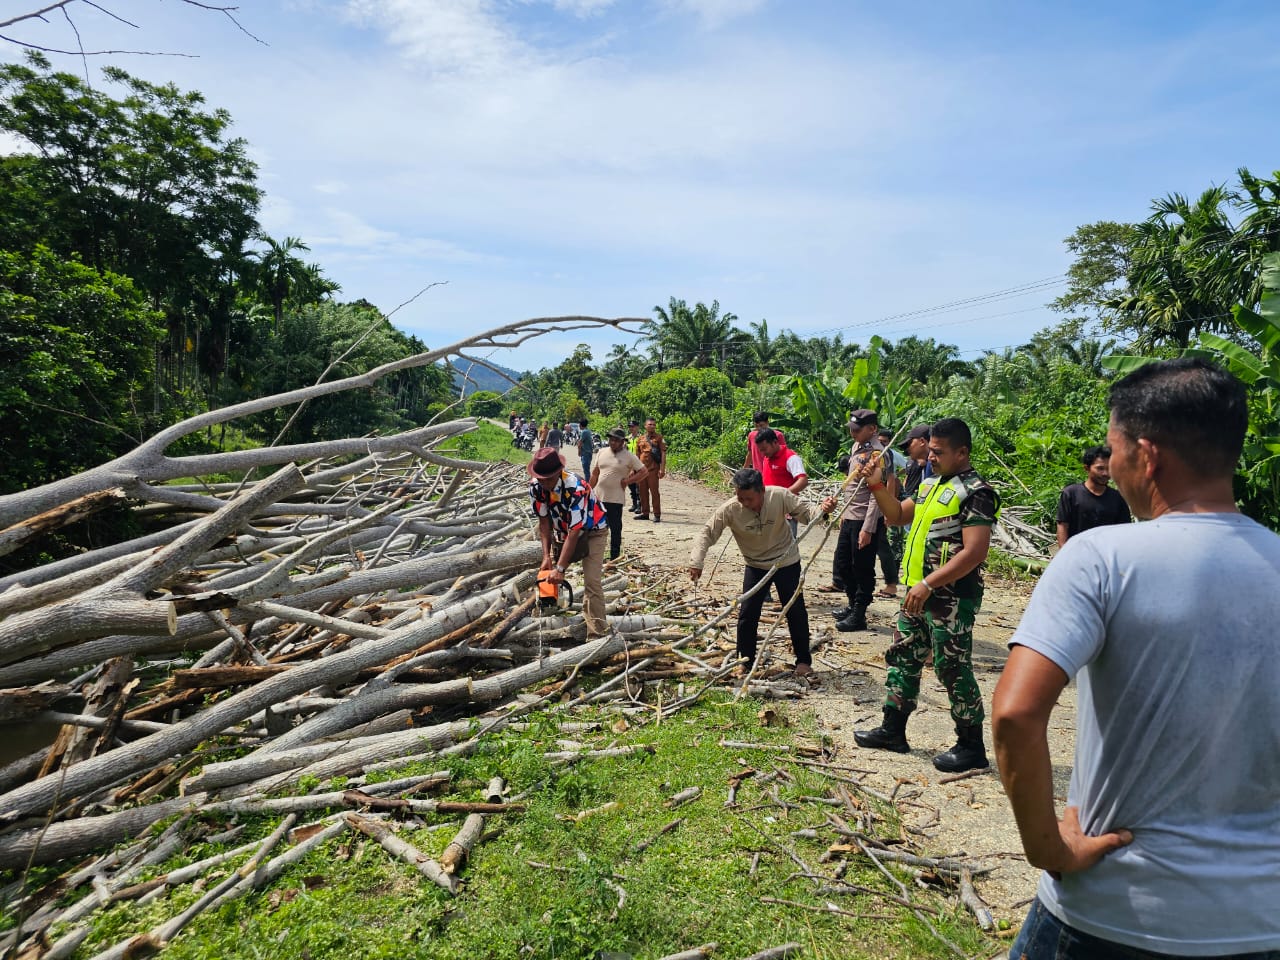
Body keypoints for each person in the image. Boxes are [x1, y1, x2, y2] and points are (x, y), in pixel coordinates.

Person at [992, 358, 1280, 959]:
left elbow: (1015, 715)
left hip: (1113, 912)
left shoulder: (1102, 557)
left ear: (1147, 456)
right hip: (1260, 922)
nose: (1112, 463)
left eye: (1114, 448)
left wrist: (1049, 849)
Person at [853, 417, 999, 772]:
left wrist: (930, 584)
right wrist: (876, 486)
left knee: (951, 667)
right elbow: (897, 516)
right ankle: (893, 731)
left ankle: (971, 747)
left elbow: (975, 551)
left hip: (949, 596)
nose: (930, 457)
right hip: (916, 590)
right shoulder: (930, 484)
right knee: (903, 657)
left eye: (938, 452)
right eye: (930, 450)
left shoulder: (976, 491)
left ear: (962, 452)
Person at [689, 468, 826, 678]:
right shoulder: (731, 509)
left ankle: (803, 661)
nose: (744, 503)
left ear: (762, 491)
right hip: (755, 565)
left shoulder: (779, 495)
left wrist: (823, 510)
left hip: (786, 561)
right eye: (740, 497)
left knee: (795, 611)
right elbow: (707, 533)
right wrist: (697, 561)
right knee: (747, 614)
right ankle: (745, 660)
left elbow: (807, 513)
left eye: (749, 498)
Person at [528, 447, 610, 637]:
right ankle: (541, 628)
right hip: (562, 531)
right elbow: (544, 522)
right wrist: (547, 557)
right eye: (541, 479)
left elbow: (575, 532)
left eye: (549, 479)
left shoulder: (576, 487)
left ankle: (598, 635)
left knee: (592, 582)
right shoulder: (535, 487)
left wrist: (561, 568)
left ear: (558, 472)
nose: (545, 483)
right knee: (546, 576)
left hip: (593, 531)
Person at [821, 410, 885, 632]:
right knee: (843, 566)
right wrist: (843, 515)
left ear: (872, 429)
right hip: (850, 517)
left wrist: (868, 528)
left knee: (862, 568)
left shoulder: (878, 454)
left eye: (857, 430)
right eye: (851, 428)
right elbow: (851, 487)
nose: (852, 432)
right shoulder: (856, 448)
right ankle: (851, 604)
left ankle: (859, 613)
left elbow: (878, 495)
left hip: (864, 519)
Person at [1055, 445, 1131, 548]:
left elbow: (1123, 532)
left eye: (1109, 468)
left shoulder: (1117, 498)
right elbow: (1062, 526)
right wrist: (1064, 553)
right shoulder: (1071, 494)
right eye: (1100, 468)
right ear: (1087, 468)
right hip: (1076, 554)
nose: (1105, 473)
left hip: (1105, 557)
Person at [589, 428, 647, 561]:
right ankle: (595, 555)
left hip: (615, 499)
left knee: (615, 529)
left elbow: (644, 472)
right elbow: (595, 473)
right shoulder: (601, 452)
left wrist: (628, 481)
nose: (613, 442)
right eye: (611, 439)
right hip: (598, 497)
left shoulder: (629, 456)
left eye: (616, 440)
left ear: (622, 442)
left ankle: (614, 556)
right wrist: (588, 490)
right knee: (596, 528)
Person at [755, 428, 808, 537]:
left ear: (775, 442)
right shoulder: (767, 458)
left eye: (765, 449)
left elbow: (803, 480)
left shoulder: (791, 458)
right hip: (768, 509)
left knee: (787, 545)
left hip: (786, 510)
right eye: (760, 450)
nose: (763, 453)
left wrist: (782, 494)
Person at [875, 427, 908, 599]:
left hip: (894, 500)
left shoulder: (893, 455)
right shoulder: (875, 454)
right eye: (879, 441)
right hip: (883, 500)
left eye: (884, 442)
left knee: (894, 538)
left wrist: (890, 507)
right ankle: (892, 576)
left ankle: (893, 576)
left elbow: (895, 477)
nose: (881, 445)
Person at [635, 417, 668, 522]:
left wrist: (662, 469)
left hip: (653, 469)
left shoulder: (659, 438)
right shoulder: (640, 439)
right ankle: (645, 513)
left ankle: (657, 514)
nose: (652, 426)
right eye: (650, 424)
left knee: (654, 492)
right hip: (642, 470)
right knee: (642, 492)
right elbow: (637, 455)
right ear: (645, 426)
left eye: (654, 424)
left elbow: (663, 453)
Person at [626, 420, 644, 513]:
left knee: (638, 486)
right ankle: (634, 504)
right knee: (631, 485)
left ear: (637, 427)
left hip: (638, 464)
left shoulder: (641, 438)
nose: (631, 428)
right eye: (630, 426)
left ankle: (640, 505)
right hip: (628, 465)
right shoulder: (627, 438)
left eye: (633, 426)